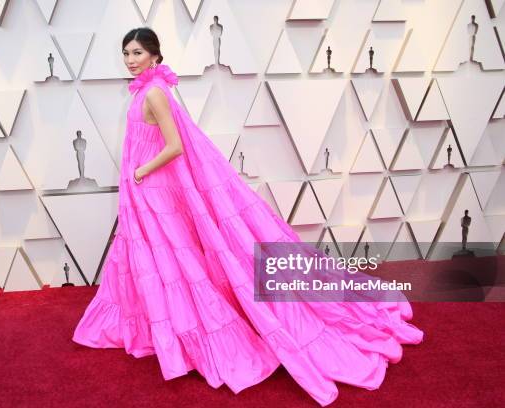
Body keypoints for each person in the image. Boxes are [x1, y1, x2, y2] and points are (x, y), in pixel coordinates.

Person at [72, 27, 424, 406]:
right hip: (147, 191)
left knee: (172, 258)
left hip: (152, 188)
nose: (130, 60)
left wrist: (140, 171)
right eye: (126, 53)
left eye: (137, 53)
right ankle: (155, 324)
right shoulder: (145, 90)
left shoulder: (155, 93)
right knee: (158, 259)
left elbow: (174, 147)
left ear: (155, 56)